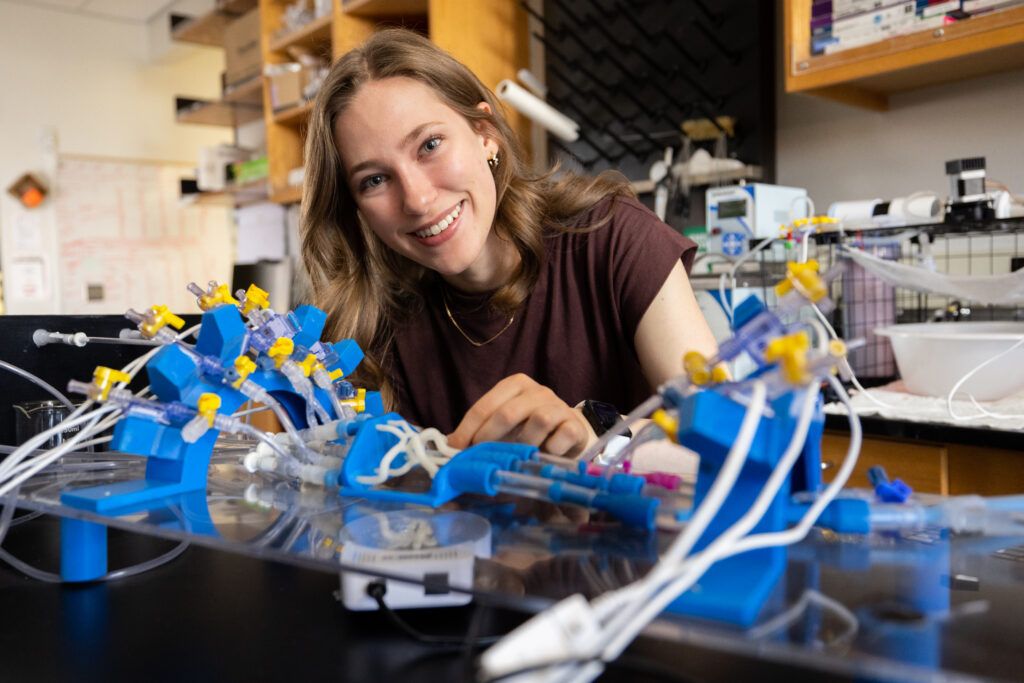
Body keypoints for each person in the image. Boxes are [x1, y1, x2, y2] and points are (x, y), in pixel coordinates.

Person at [301, 28, 717, 459]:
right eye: (374, 180)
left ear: (485, 135)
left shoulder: (613, 240)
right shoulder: (370, 326)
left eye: (430, 145)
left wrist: (590, 437)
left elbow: (730, 433)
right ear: (356, 209)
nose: (418, 199)